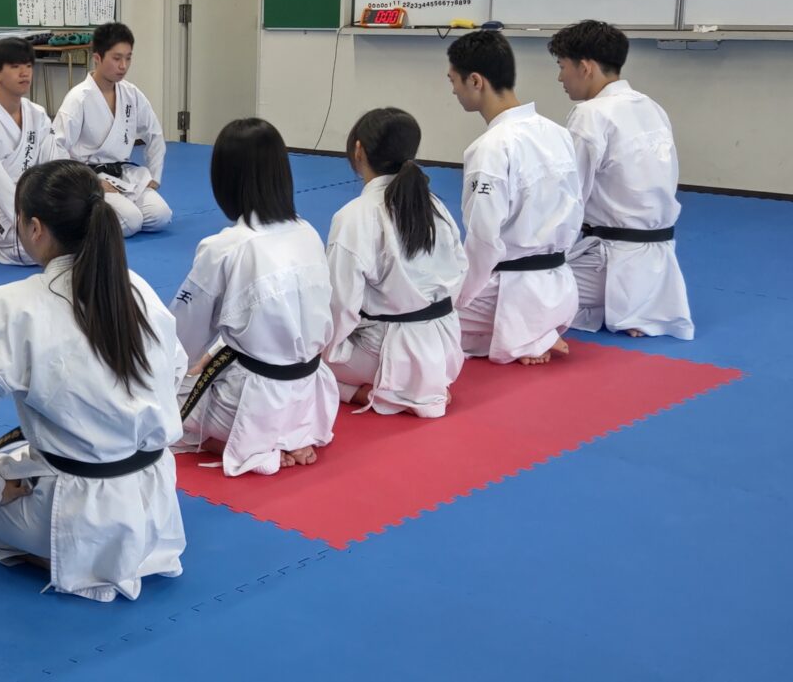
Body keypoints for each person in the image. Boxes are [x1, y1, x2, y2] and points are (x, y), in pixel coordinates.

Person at [0, 159, 187, 603]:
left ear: (35, 228)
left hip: (78, 510)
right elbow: (177, 367)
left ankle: (63, 557)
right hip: (155, 496)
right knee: (19, 454)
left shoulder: (15, 304)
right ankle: (115, 548)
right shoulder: (134, 287)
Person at [170, 119, 336, 477]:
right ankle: (289, 434)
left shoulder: (224, 247)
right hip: (311, 397)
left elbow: (182, 336)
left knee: (157, 396)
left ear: (224, 180)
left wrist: (179, 367)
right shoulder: (307, 232)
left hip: (250, 404)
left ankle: (232, 442)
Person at [549, 20, 694, 340]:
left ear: (585, 67)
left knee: (502, 291)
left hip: (611, 262)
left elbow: (568, 198)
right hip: (659, 267)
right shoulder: (651, 107)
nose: (560, 78)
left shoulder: (591, 114)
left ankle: (611, 301)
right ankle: (636, 308)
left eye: (562, 66)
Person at [449, 30, 584, 365]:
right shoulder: (558, 133)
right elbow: (577, 210)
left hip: (510, 294)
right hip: (563, 288)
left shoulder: (490, 148)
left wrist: (458, 295)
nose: (452, 90)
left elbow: (482, 241)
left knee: (416, 321)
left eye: (453, 80)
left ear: (475, 81)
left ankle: (524, 335)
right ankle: (535, 331)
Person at [325, 108, 468, 418]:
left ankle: (364, 392)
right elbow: (460, 272)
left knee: (293, 359)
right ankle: (419, 384)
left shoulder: (354, 216)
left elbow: (340, 305)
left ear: (358, 150)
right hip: (445, 350)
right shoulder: (436, 207)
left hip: (387, 355)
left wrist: (328, 349)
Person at [55, 22, 173, 237]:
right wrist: (91, 183)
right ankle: (79, 215)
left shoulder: (131, 94)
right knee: (132, 221)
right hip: (88, 178)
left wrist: (154, 175)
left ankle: (108, 212)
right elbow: (56, 148)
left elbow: (154, 133)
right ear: (97, 58)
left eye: (128, 58)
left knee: (161, 216)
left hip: (122, 175)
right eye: (117, 58)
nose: (123, 66)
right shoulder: (78, 98)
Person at [0, 37, 67, 266]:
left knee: (66, 236)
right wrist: (26, 221)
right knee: (35, 248)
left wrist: (56, 207)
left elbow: (53, 164)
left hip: (31, 199)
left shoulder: (38, 114)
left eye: (28, 65)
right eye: (16, 66)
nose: (25, 73)